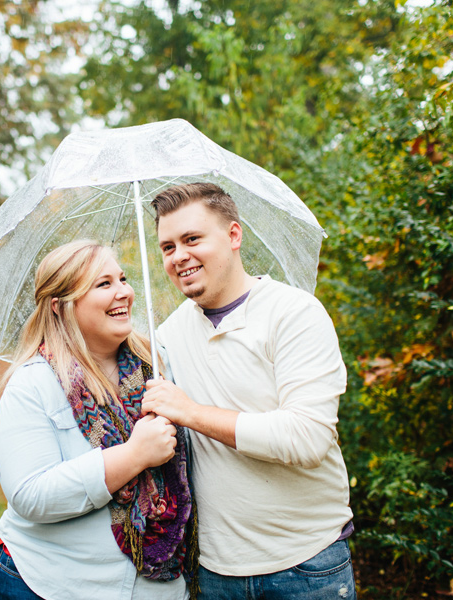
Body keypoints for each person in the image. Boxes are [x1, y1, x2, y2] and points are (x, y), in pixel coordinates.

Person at [142, 183, 356, 599]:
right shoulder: (166, 336)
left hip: (306, 564)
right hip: (216, 570)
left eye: (192, 239)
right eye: (167, 247)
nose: (179, 256)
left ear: (234, 235)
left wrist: (189, 411)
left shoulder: (294, 314)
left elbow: (307, 438)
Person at [0, 240, 196, 600]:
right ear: (59, 306)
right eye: (104, 284)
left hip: (157, 587)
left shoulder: (158, 366)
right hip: (50, 583)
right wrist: (134, 455)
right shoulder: (33, 383)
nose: (124, 293)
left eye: (123, 279)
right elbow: (30, 495)